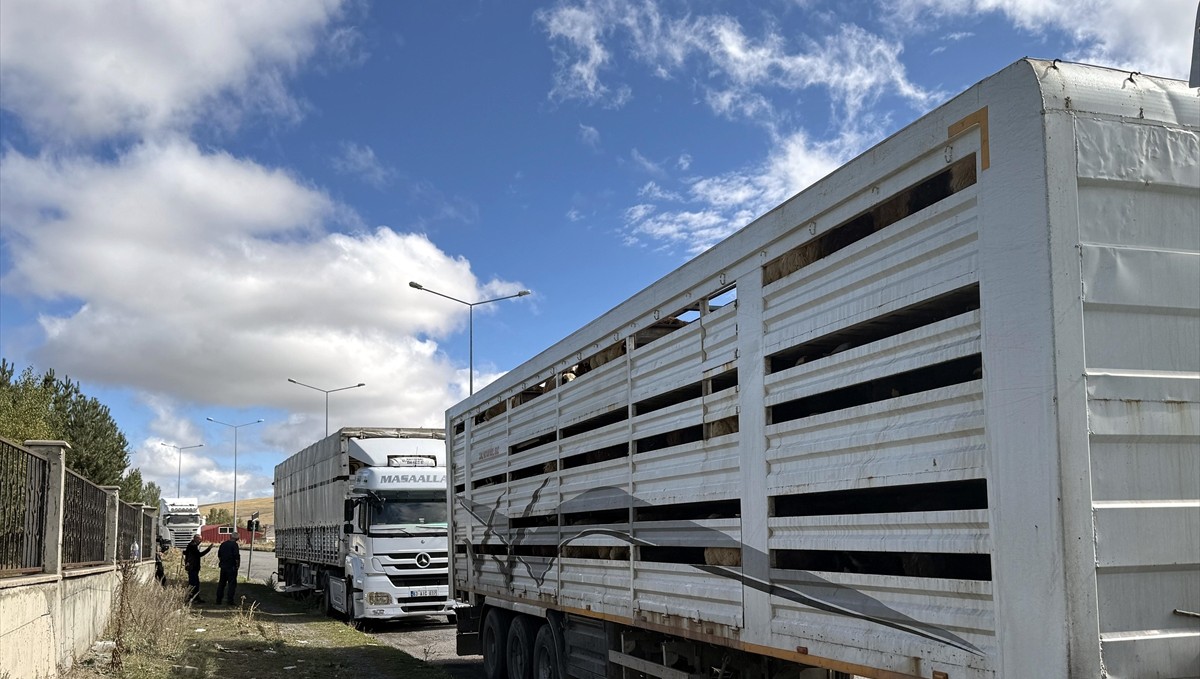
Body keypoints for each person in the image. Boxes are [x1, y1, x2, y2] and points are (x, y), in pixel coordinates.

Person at [182, 534, 211, 602]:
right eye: (199, 539)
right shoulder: (193, 546)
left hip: (192, 567)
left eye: (201, 539)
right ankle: (192, 597)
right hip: (193, 567)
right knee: (194, 583)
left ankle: (195, 597)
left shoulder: (191, 545)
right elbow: (199, 555)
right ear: (195, 539)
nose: (200, 541)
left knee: (195, 583)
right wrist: (208, 549)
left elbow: (186, 553)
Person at [215, 533, 241, 606]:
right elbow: (236, 556)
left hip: (223, 567)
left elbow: (219, 555)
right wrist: (237, 565)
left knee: (221, 583)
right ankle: (230, 600)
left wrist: (222, 561)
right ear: (236, 538)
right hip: (231, 567)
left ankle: (218, 600)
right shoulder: (234, 545)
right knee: (232, 584)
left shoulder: (223, 544)